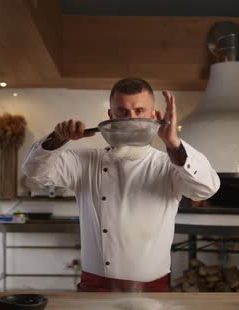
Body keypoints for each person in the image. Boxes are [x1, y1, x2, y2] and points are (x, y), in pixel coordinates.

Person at [23, 78, 220, 292]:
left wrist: (174, 143)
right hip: (95, 286)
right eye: (122, 112)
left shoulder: (169, 164)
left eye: (139, 111)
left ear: (154, 116)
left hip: (152, 289)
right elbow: (34, 173)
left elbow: (206, 188)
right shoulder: (85, 162)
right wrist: (57, 138)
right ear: (110, 117)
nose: (131, 120)